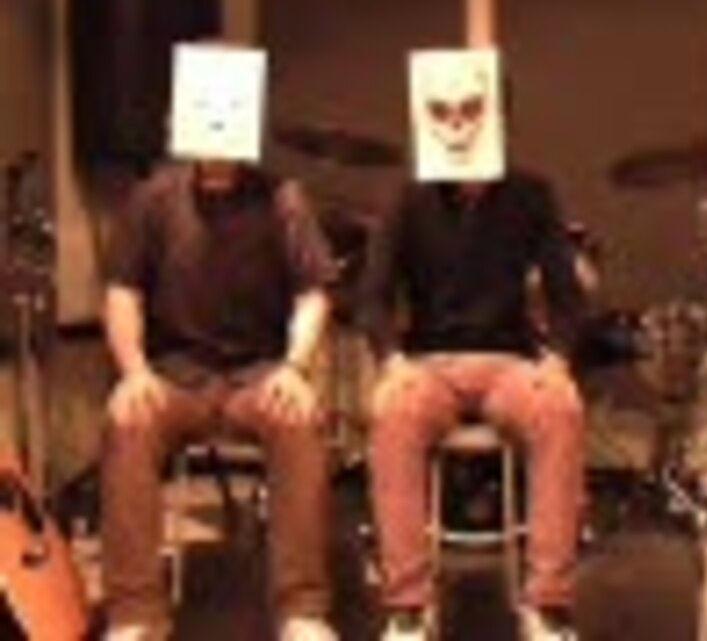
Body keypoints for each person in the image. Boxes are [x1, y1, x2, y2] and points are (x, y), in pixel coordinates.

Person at [99, 43, 338, 641]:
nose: (217, 119)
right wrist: (133, 371)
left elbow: (314, 292)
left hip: (257, 375)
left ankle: (303, 610)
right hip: (173, 375)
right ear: (179, 117)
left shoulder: (284, 199)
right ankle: (135, 614)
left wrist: (294, 367)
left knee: (300, 422)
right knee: (127, 423)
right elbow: (122, 292)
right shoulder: (152, 200)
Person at [361, 96, 587, 639]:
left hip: (510, 361)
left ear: (499, 121)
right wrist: (391, 360)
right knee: (392, 411)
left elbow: (568, 297)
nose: (459, 126)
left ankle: (548, 605)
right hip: (428, 363)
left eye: (472, 113)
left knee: (560, 407)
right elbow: (372, 297)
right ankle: (408, 606)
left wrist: (558, 360)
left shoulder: (531, 194)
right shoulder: (408, 196)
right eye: (445, 114)